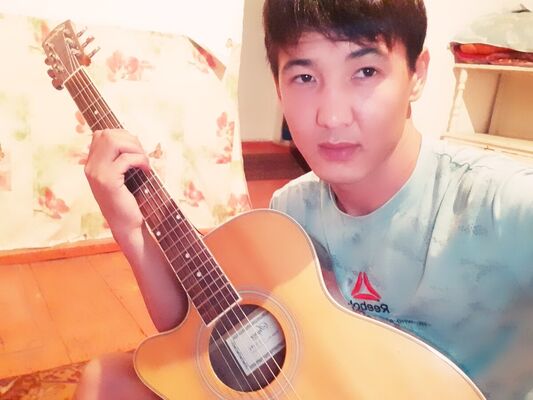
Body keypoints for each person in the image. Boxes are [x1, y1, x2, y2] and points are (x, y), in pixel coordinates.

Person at [75, 0, 533, 399]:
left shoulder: (503, 204)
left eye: (365, 71)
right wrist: (130, 226)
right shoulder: (290, 215)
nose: (331, 116)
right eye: (305, 76)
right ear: (278, 87)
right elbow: (201, 333)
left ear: (417, 75)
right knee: (106, 381)